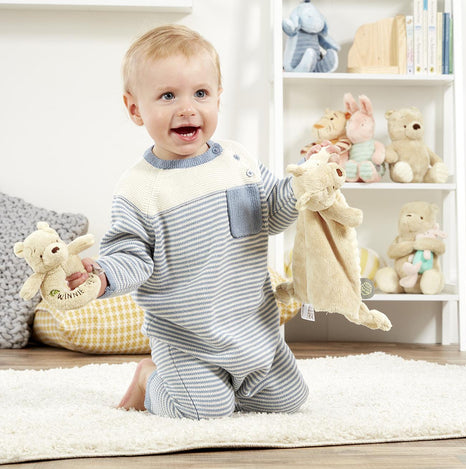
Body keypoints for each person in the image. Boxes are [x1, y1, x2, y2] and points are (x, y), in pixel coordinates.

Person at [67, 24, 309, 420]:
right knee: (202, 411)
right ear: (135, 109)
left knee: (288, 401)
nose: (187, 108)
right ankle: (151, 378)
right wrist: (103, 275)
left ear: (218, 98)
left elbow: (275, 214)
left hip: (252, 328)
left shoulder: (238, 160)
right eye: (167, 96)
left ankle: (229, 384)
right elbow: (131, 255)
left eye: (200, 93)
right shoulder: (139, 187)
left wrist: (307, 182)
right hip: (185, 339)